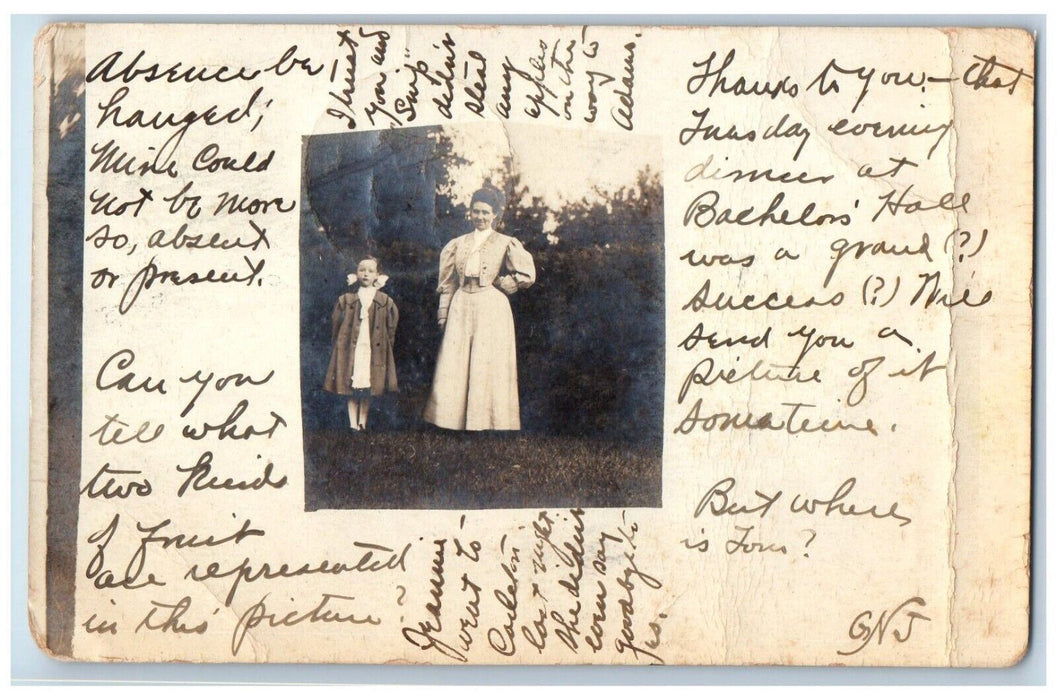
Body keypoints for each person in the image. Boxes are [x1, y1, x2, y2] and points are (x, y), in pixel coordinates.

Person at [423, 186, 536, 431]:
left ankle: (486, 423)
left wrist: (512, 282)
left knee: (487, 361)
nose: (480, 217)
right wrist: (443, 312)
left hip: (490, 306)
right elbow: (448, 282)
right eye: (476, 212)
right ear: (470, 213)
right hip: (462, 303)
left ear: (495, 215)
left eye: (485, 212)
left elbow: (528, 274)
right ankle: (451, 422)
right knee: (456, 359)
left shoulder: (505, 242)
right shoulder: (458, 244)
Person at [323, 256, 399, 430]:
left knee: (368, 383)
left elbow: (391, 328)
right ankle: (352, 424)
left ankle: (362, 422)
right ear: (356, 274)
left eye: (371, 271)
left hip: (371, 348)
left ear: (377, 275)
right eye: (362, 270)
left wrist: (386, 348)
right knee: (351, 382)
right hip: (352, 347)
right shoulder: (347, 300)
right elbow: (336, 325)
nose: (366, 274)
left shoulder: (384, 301)